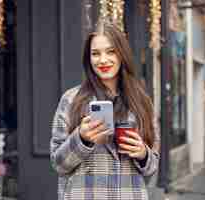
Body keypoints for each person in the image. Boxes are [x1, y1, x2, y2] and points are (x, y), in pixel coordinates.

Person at [50, 21, 160, 200]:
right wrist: (82, 139)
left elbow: (152, 167)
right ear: (88, 58)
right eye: (95, 53)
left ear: (122, 54)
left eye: (111, 51)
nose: (103, 60)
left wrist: (142, 153)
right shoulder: (71, 99)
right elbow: (58, 164)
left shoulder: (142, 102)